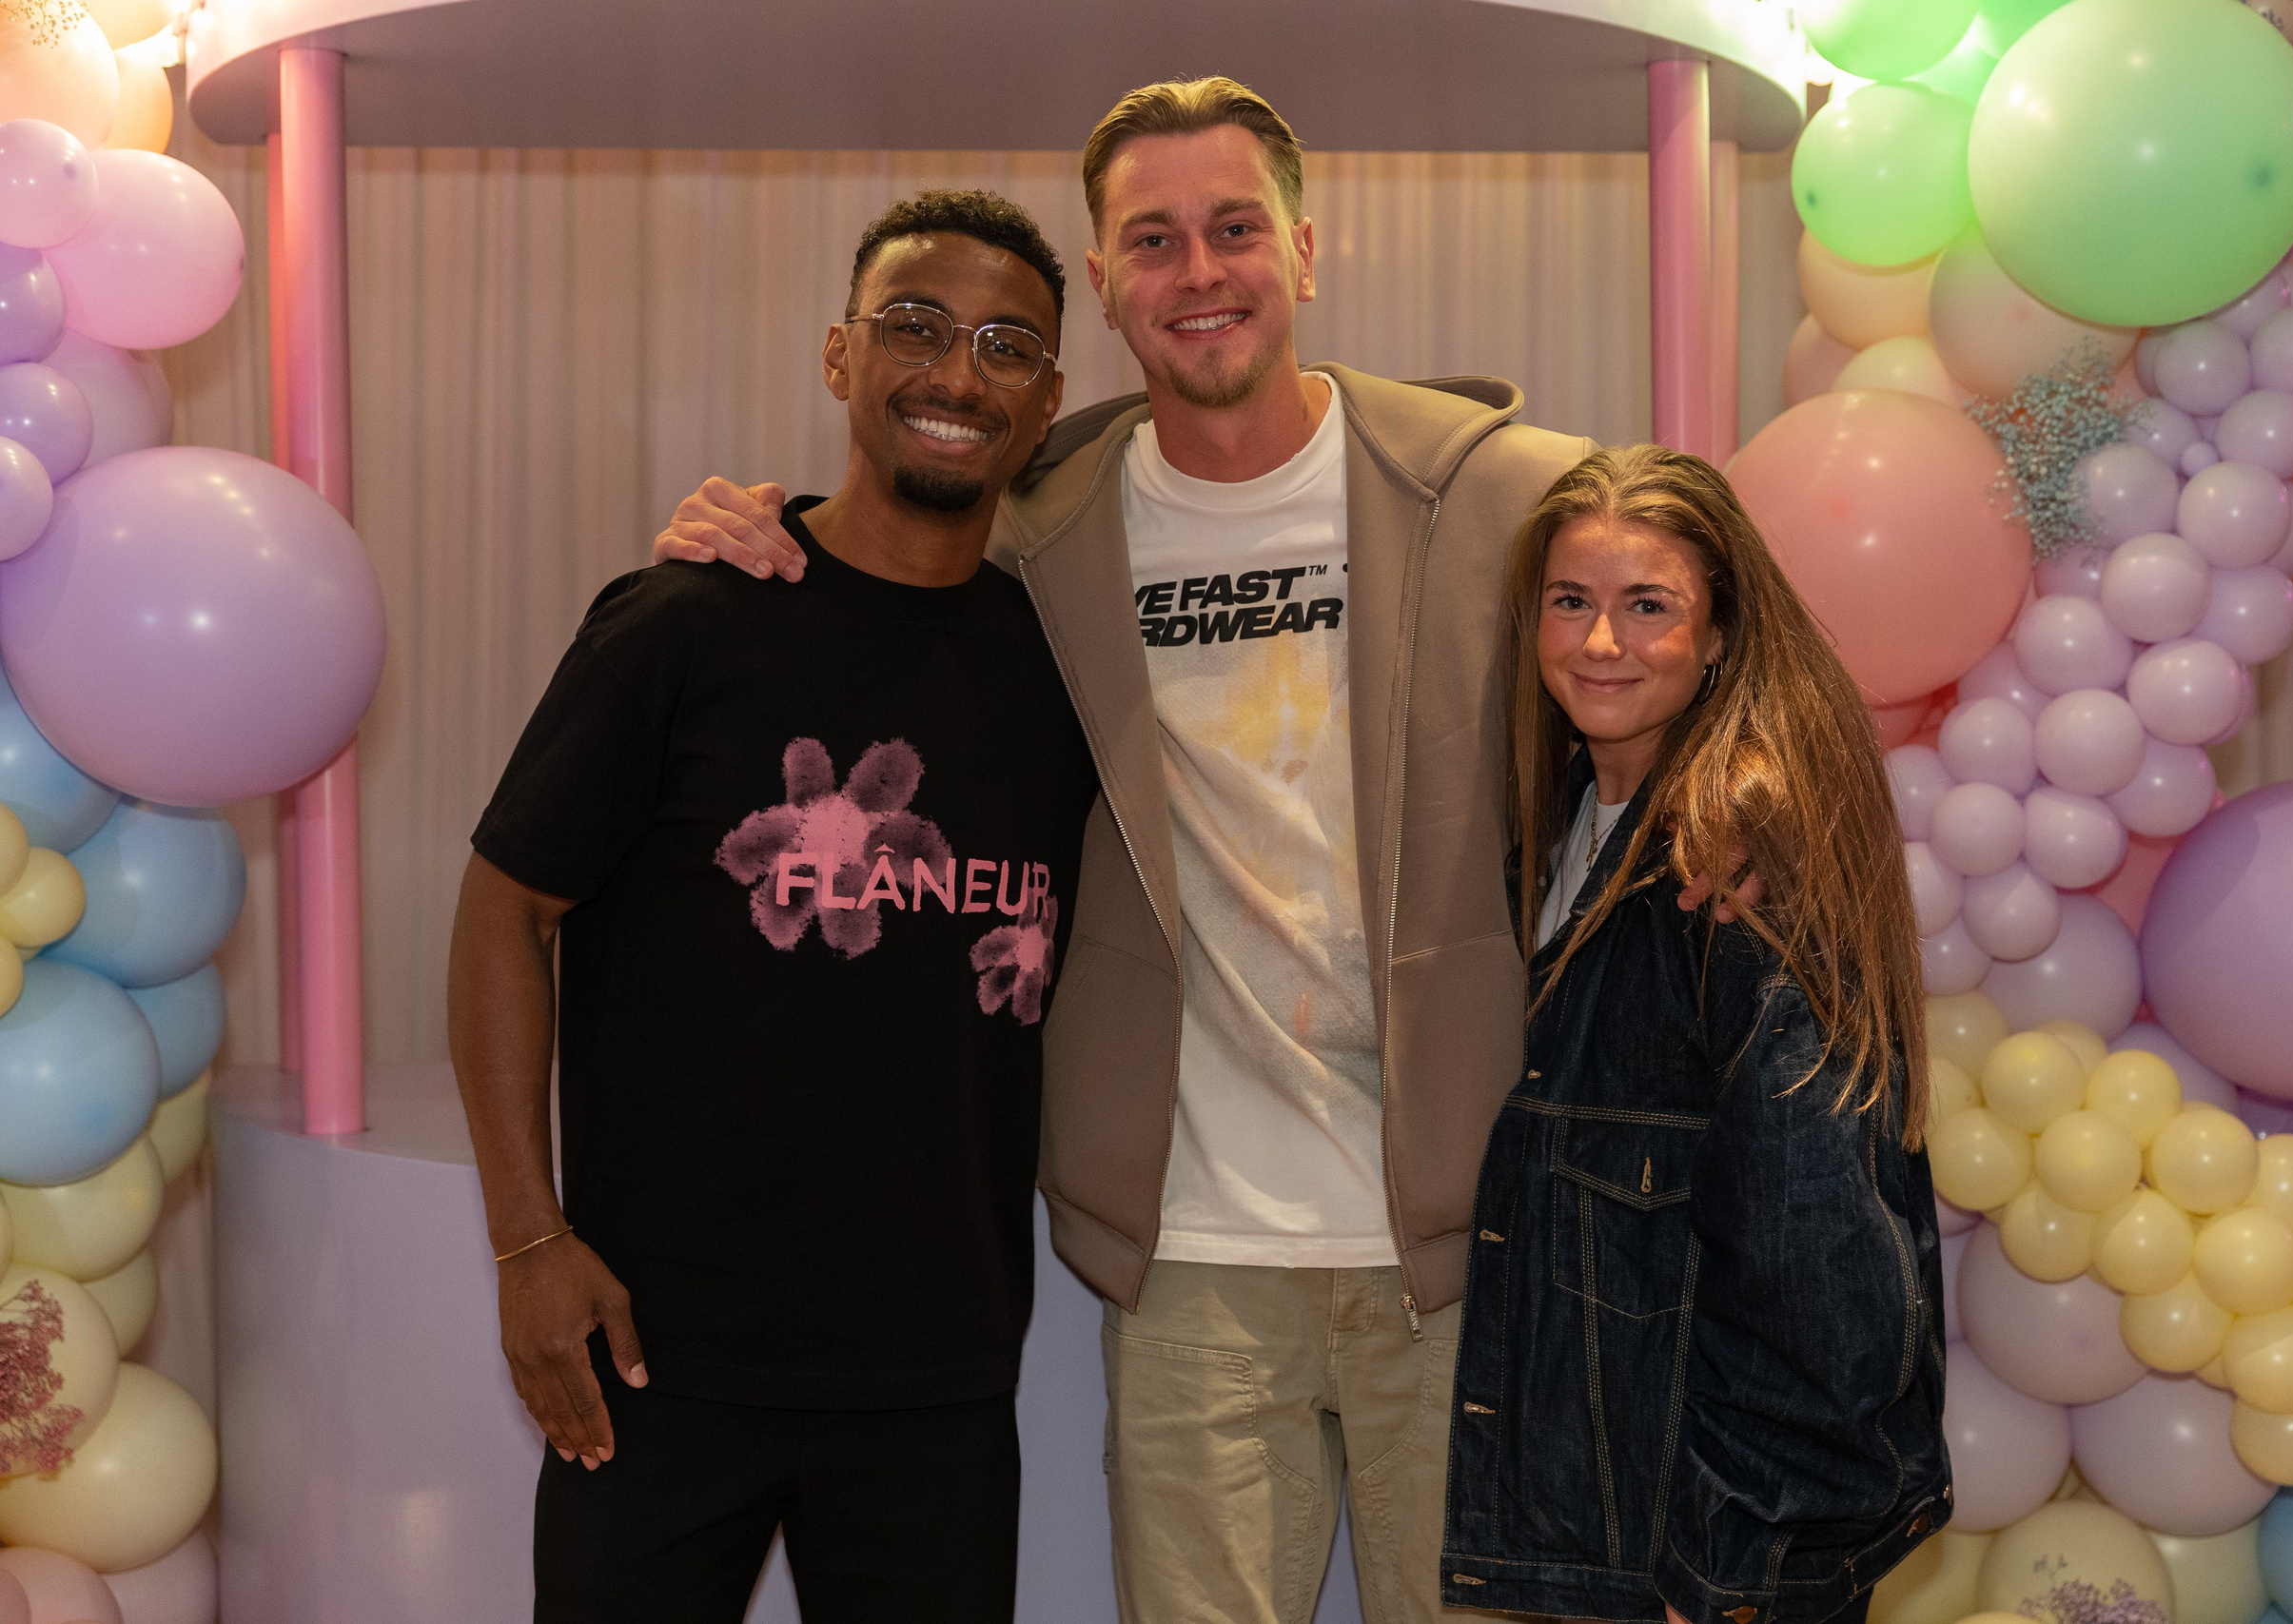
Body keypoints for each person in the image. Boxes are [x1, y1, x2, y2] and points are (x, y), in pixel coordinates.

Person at [647, 75, 1706, 1624]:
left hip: (1472, 1233)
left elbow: (1700, 654)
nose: (1197, 271)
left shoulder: (1499, 493)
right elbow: (893, 546)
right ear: (1104, 279)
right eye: (1154, 239)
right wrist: (758, 525)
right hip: (1194, 1248)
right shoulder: (1040, 520)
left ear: (1306, 248)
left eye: (1232, 229)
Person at [446, 188, 1098, 1624]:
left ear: (1048, 401)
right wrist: (529, 1241)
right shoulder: (686, 621)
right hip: (656, 1350)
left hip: (936, 1373)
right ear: (837, 355)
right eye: (913, 326)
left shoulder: (1067, 675)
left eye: (1006, 344)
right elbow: (504, 909)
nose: (954, 373)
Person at [1440, 444, 1950, 1624]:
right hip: (1599, 1534)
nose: (1599, 642)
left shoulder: (1732, 867)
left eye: (1647, 606)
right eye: (1570, 601)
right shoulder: (1562, 826)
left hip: (1703, 1566)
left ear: (1719, 634)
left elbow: (1819, 1252)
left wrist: (1735, 1566)